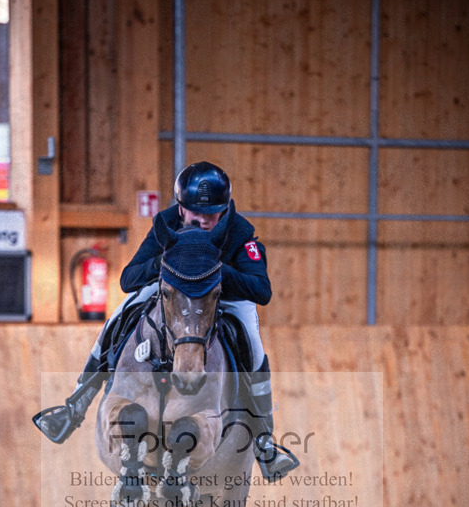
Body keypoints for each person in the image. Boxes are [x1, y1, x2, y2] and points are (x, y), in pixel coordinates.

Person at [34, 161, 298, 481]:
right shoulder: (166, 225)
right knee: (120, 313)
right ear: (181, 208)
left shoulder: (241, 233)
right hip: (173, 293)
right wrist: (165, 264)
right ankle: (75, 406)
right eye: (194, 216)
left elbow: (262, 290)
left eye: (212, 216)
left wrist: (213, 270)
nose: (202, 223)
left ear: (225, 209)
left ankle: (264, 440)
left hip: (222, 298)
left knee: (251, 341)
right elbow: (129, 278)